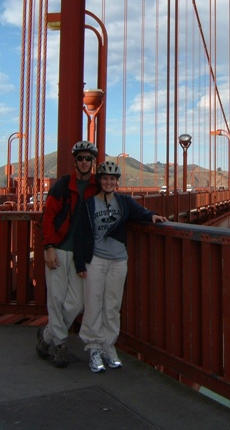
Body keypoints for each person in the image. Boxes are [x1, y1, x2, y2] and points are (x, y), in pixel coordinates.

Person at [73, 160, 167, 373]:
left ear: (117, 182)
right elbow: (80, 236)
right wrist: (80, 263)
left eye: (112, 179)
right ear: (99, 181)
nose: (108, 182)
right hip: (95, 260)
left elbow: (140, 211)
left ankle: (109, 345)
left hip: (118, 260)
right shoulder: (88, 205)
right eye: (105, 178)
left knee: (113, 305)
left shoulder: (123, 201)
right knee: (93, 303)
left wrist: (152, 215)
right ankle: (94, 348)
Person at [36, 140, 99, 368]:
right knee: (55, 298)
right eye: (81, 158)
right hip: (59, 249)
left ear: (93, 162)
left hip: (81, 254)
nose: (84, 162)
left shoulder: (98, 187)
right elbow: (48, 217)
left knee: (75, 303)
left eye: (88, 158)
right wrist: (49, 247)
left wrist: (148, 215)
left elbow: (118, 205)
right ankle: (60, 345)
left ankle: (46, 337)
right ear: (75, 161)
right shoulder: (62, 185)